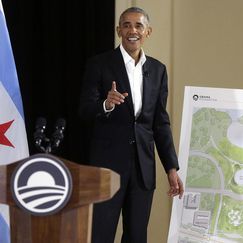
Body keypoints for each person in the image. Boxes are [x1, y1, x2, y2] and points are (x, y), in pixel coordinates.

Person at [78, 7, 184, 243]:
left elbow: (160, 123)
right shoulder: (100, 64)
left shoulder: (157, 70)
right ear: (118, 30)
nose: (132, 30)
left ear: (148, 31)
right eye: (126, 25)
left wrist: (171, 168)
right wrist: (106, 104)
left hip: (142, 170)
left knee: (137, 237)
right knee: (99, 235)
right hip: (107, 168)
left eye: (138, 26)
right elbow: (84, 109)